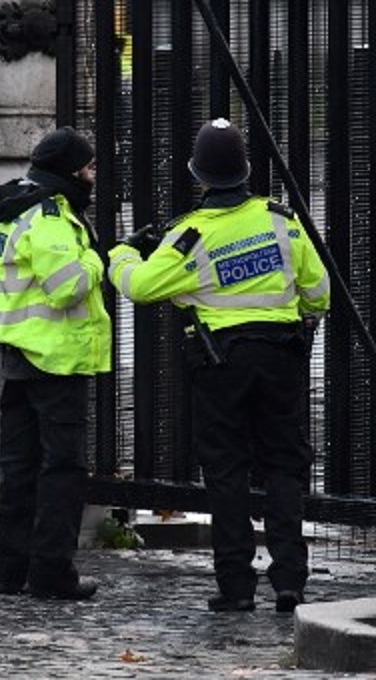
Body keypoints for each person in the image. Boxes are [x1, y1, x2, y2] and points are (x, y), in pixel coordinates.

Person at [107, 118, 331, 613]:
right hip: (281, 357)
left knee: (227, 472)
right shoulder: (280, 220)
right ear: (246, 170)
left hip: (221, 363)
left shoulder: (190, 236)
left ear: (199, 174)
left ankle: (235, 587)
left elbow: (140, 287)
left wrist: (122, 253)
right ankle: (290, 581)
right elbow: (319, 292)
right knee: (284, 468)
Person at [0, 125, 110, 601]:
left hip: (18, 357)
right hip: (56, 360)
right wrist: (102, 259)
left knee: (19, 468)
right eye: (90, 167)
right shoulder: (49, 216)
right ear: (71, 171)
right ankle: (53, 573)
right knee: (62, 471)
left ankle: (8, 570)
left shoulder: (10, 209)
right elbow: (66, 286)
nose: (94, 177)